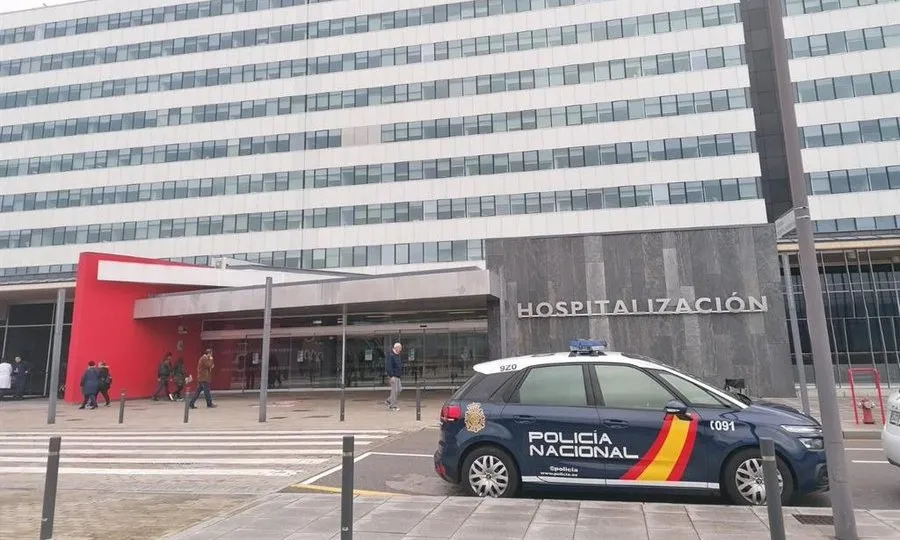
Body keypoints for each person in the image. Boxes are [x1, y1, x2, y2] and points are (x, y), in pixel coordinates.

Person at [385, 342, 403, 412]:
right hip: (393, 376)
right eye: (400, 348)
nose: (401, 349)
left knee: (399, 390)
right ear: (396, 348)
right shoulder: (391, 355)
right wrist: (391, 376)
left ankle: (389, 400)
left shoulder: (397, 355)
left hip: (398, 376)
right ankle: (393, 406)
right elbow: (389, 366)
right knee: (394, 391)